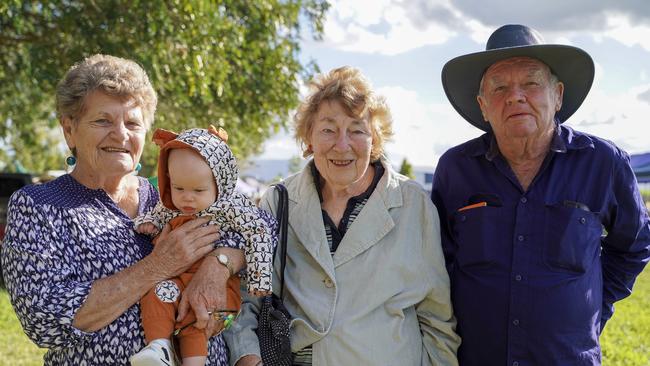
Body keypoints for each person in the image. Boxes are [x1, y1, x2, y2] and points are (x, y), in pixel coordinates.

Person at [0, 54, 246, 365]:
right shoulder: (39, 207)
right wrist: (158, 266)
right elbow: (45, 321)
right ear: (69, 130)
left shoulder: (171, 199)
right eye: (103, 120)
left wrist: (218, 266)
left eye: (132, 122)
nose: (120, 134)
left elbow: (248, 234)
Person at [432, 24, 650, 365]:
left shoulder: (603, 163)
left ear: (558, 95)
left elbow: (634, 245)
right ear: (483, 106)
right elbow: (436, 264)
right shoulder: (455, 170)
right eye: (499, 87)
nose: (515, 96)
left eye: (531, 83)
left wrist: (595, 306)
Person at [225, 66, 460, 366]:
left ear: (374, 140)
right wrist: (247, 355)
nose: (342, 144)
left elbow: (437, 320)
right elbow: (247, 298)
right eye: (328, 129)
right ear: (309, 137)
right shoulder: (279, 201)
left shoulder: (413, 204)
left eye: (357, 130)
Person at [130, 126, 277, 366]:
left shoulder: (231, 207)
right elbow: (158, 213)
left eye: (198, 190)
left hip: (223, 299)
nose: (187, 198)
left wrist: (260, 281)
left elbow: (260, 230)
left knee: (198, 316)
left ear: (221, 183)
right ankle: (159, 347)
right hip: (179, 285)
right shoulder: (170, 206)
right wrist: (150, 222)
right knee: (157, 295)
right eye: (178, 188)